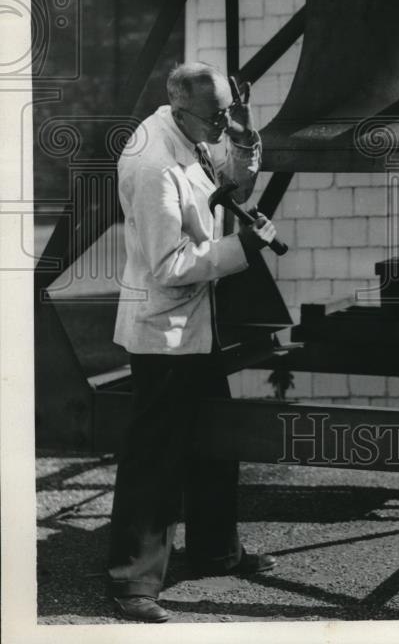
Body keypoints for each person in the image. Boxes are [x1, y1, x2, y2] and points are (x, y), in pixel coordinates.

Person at [107, 62, 278, 623]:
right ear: (181, 108)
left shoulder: (191, 129)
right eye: (217, 116)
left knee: (214, 442)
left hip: (198, 325)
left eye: (228, 110)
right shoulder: (153, 163)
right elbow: (167, 264)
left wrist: (246, 134)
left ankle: (215, 552)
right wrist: (243, 250)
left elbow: (230, 177)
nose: (222, 124)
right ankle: (133, 584)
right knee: (155, 460)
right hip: (164, 330)